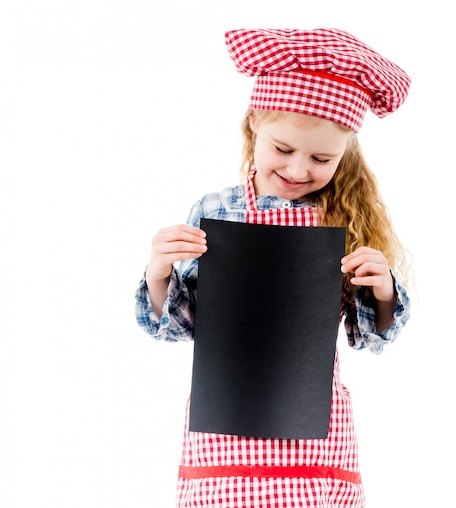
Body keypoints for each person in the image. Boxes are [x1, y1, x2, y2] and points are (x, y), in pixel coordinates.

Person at [135, 28, 412, 508]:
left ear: (343, 156)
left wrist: (383, 288)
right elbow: (184, 326)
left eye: (322, 158)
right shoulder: (215, 209)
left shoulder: (344, 220)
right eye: (283, 149)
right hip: (223, 424)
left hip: (314, 431)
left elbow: (371, 335)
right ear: (254, 128)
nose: (299, 169)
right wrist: (160, 271)